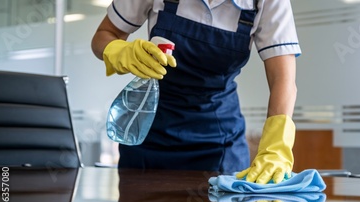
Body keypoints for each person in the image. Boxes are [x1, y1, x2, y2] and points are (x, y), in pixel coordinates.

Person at [91, 0, 301, 184]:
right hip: (149, 136)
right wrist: (118, 50)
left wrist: (275, 145)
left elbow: (283, 80)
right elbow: (104, 35)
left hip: (219, 143)